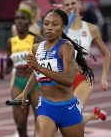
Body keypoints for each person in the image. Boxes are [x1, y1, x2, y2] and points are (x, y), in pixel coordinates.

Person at [16, 9, 95, 137]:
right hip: (46, 107)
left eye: (54, 24)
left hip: (67, 108)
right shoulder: (36, 48)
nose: (49, 28)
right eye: (46, 24)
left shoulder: (66, 47)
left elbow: (68, 80)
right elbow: (36, 73)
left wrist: (40, 67)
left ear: (63, 27)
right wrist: (25, 92)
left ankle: (90, 116)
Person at [61, 0, 110, 124]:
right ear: (63, 7)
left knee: (71, 118)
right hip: (63, 79)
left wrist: (104, 77)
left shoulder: (91, 28)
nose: (70, 6)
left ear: (79, 4)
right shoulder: (59, 29)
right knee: (62, 119)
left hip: (83, 77)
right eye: (67, 4)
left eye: (73, 3)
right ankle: (93, 115)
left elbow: (106, 53)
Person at [5, 9, 41, 137]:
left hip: (35, 83)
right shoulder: (11, 41)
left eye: (23, 18)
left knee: (41, 121)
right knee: (20, 124)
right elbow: (9, 64)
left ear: (29, 22)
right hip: (18, 83)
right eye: (17, 19)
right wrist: (4, 70)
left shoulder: (36, 39)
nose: (19, 21)